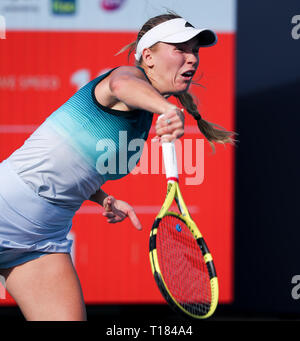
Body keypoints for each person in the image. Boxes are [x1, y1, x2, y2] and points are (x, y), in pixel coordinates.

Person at [0, 12, 234, 321]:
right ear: (147, 56)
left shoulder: (144, 116)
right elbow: (122, 84)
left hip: (44, 237)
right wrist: (167, 109)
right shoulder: (126, 77)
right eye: (180, 48)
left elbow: (71, 161)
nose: (191, 59)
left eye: (195, 51)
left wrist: (101, 197)